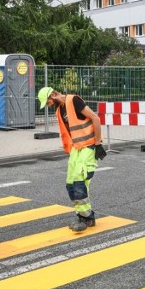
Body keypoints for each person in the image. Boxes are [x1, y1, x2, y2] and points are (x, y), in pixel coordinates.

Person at [37, 86, 106, 232]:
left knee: (79, 181)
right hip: (76, 149)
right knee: (70, 184)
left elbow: (95, 118)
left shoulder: (73, 100)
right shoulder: (59, 110)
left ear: (53, 95)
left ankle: (87, 218)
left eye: (48, 102)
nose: (49, 106)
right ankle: (82, 215)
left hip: (88, 146)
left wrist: (98, 143)